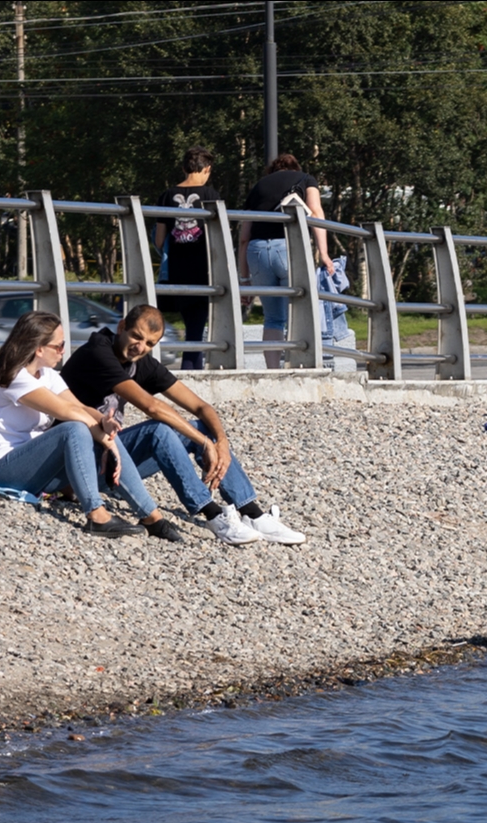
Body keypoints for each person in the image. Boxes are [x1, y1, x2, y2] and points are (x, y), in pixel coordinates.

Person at [59, 304, 307, 545]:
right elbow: (151, 407)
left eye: (149, 344)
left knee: (199, 427)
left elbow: (202, 407)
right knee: (160, 430)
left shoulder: (140, 362)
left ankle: (252, 513)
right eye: (136, 336)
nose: (140, 347)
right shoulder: (98, 352)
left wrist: (220, 441)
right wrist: (204, 443)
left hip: (113, 460)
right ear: (122, 326)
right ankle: (213, 515)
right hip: (77, 469)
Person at [0, 310, 162, 538]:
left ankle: (152, 516)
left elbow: (80, 407)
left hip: (26, 465)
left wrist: (104, 422)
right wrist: (106, 442)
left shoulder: (47, 375)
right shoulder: (13, 376)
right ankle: (96, 514)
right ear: (39, 348)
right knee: (74, 428)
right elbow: (67, 412)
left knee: (92, 428)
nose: (63, 351)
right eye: (58, 346)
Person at [236, 154, 336, 369]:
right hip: (289, 248)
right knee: (301, 310)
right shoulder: (306, 179)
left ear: (273, 170)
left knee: (273, 318)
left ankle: (273, 371)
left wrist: (244, 279)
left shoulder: (258, 187)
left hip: (258, 251)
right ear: (295, 168)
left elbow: (244, 237)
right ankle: (302, 365)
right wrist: (324, 253)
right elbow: (316, 213)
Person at [153, 147, 221, 370]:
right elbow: (217, 237)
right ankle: (192, 371)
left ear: (184, 168)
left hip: (174, 270)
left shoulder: (166, 195)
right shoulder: (211, 196)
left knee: (162, 319)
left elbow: (160, 239)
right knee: (195, 327)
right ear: (207, 169)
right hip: (202, 270)